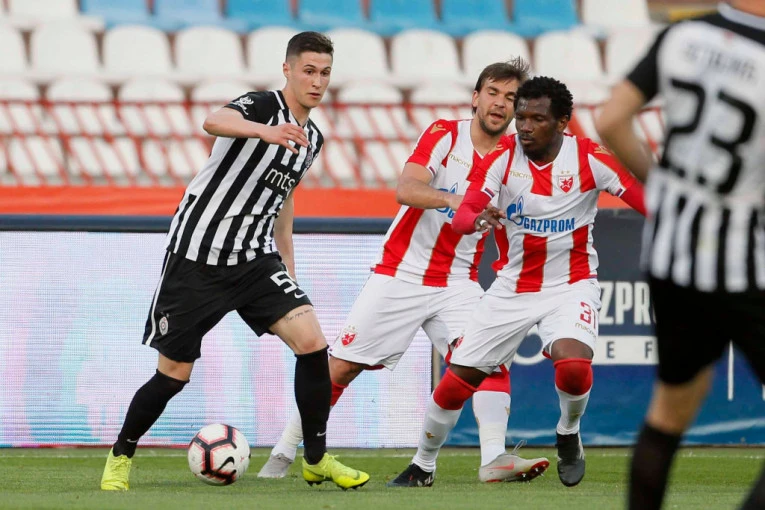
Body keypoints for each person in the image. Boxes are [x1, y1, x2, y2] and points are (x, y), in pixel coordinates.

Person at [258, 59, 550, 485]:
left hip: (458, 281)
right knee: (340, 369)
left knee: (486, 361)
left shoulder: (516, 159)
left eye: (510, 98)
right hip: (401, 272)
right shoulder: (444, 134)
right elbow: (406, 189)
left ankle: (493, 458)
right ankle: (283, 453)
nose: (499, 103)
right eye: (492, 92)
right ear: (475, 97)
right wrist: (454, 200)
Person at [100, 31, 369, 491]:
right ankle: (120, 456)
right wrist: (266, 131)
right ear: (287, 70)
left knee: (312, 344)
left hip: (254, 259)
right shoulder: (262, 106)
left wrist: (287, 263)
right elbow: (213, 120)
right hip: (198, 255)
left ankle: (316, 459)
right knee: (173, 375)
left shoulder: (312, 139)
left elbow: (283, 200)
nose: (317, 82)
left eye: (325, 73)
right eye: (308, 71)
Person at [389, 76, 647, 488]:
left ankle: (568, 432)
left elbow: (642, 197)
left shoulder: (589, 157)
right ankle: (422, 465)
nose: (524, 126)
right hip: (512, 288)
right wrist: (473, 216)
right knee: (457, 382)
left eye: (536, 119)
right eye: (521, 117)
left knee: (573, 365)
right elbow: (464, 214)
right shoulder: (502, 156)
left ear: (561, 122)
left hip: (571, 283)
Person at [594, 2, 765, 508]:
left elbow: (611, 120)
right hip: (747, 263)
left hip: (673, 257)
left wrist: (664, 188)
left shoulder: (684, 34)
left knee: (669, 412)